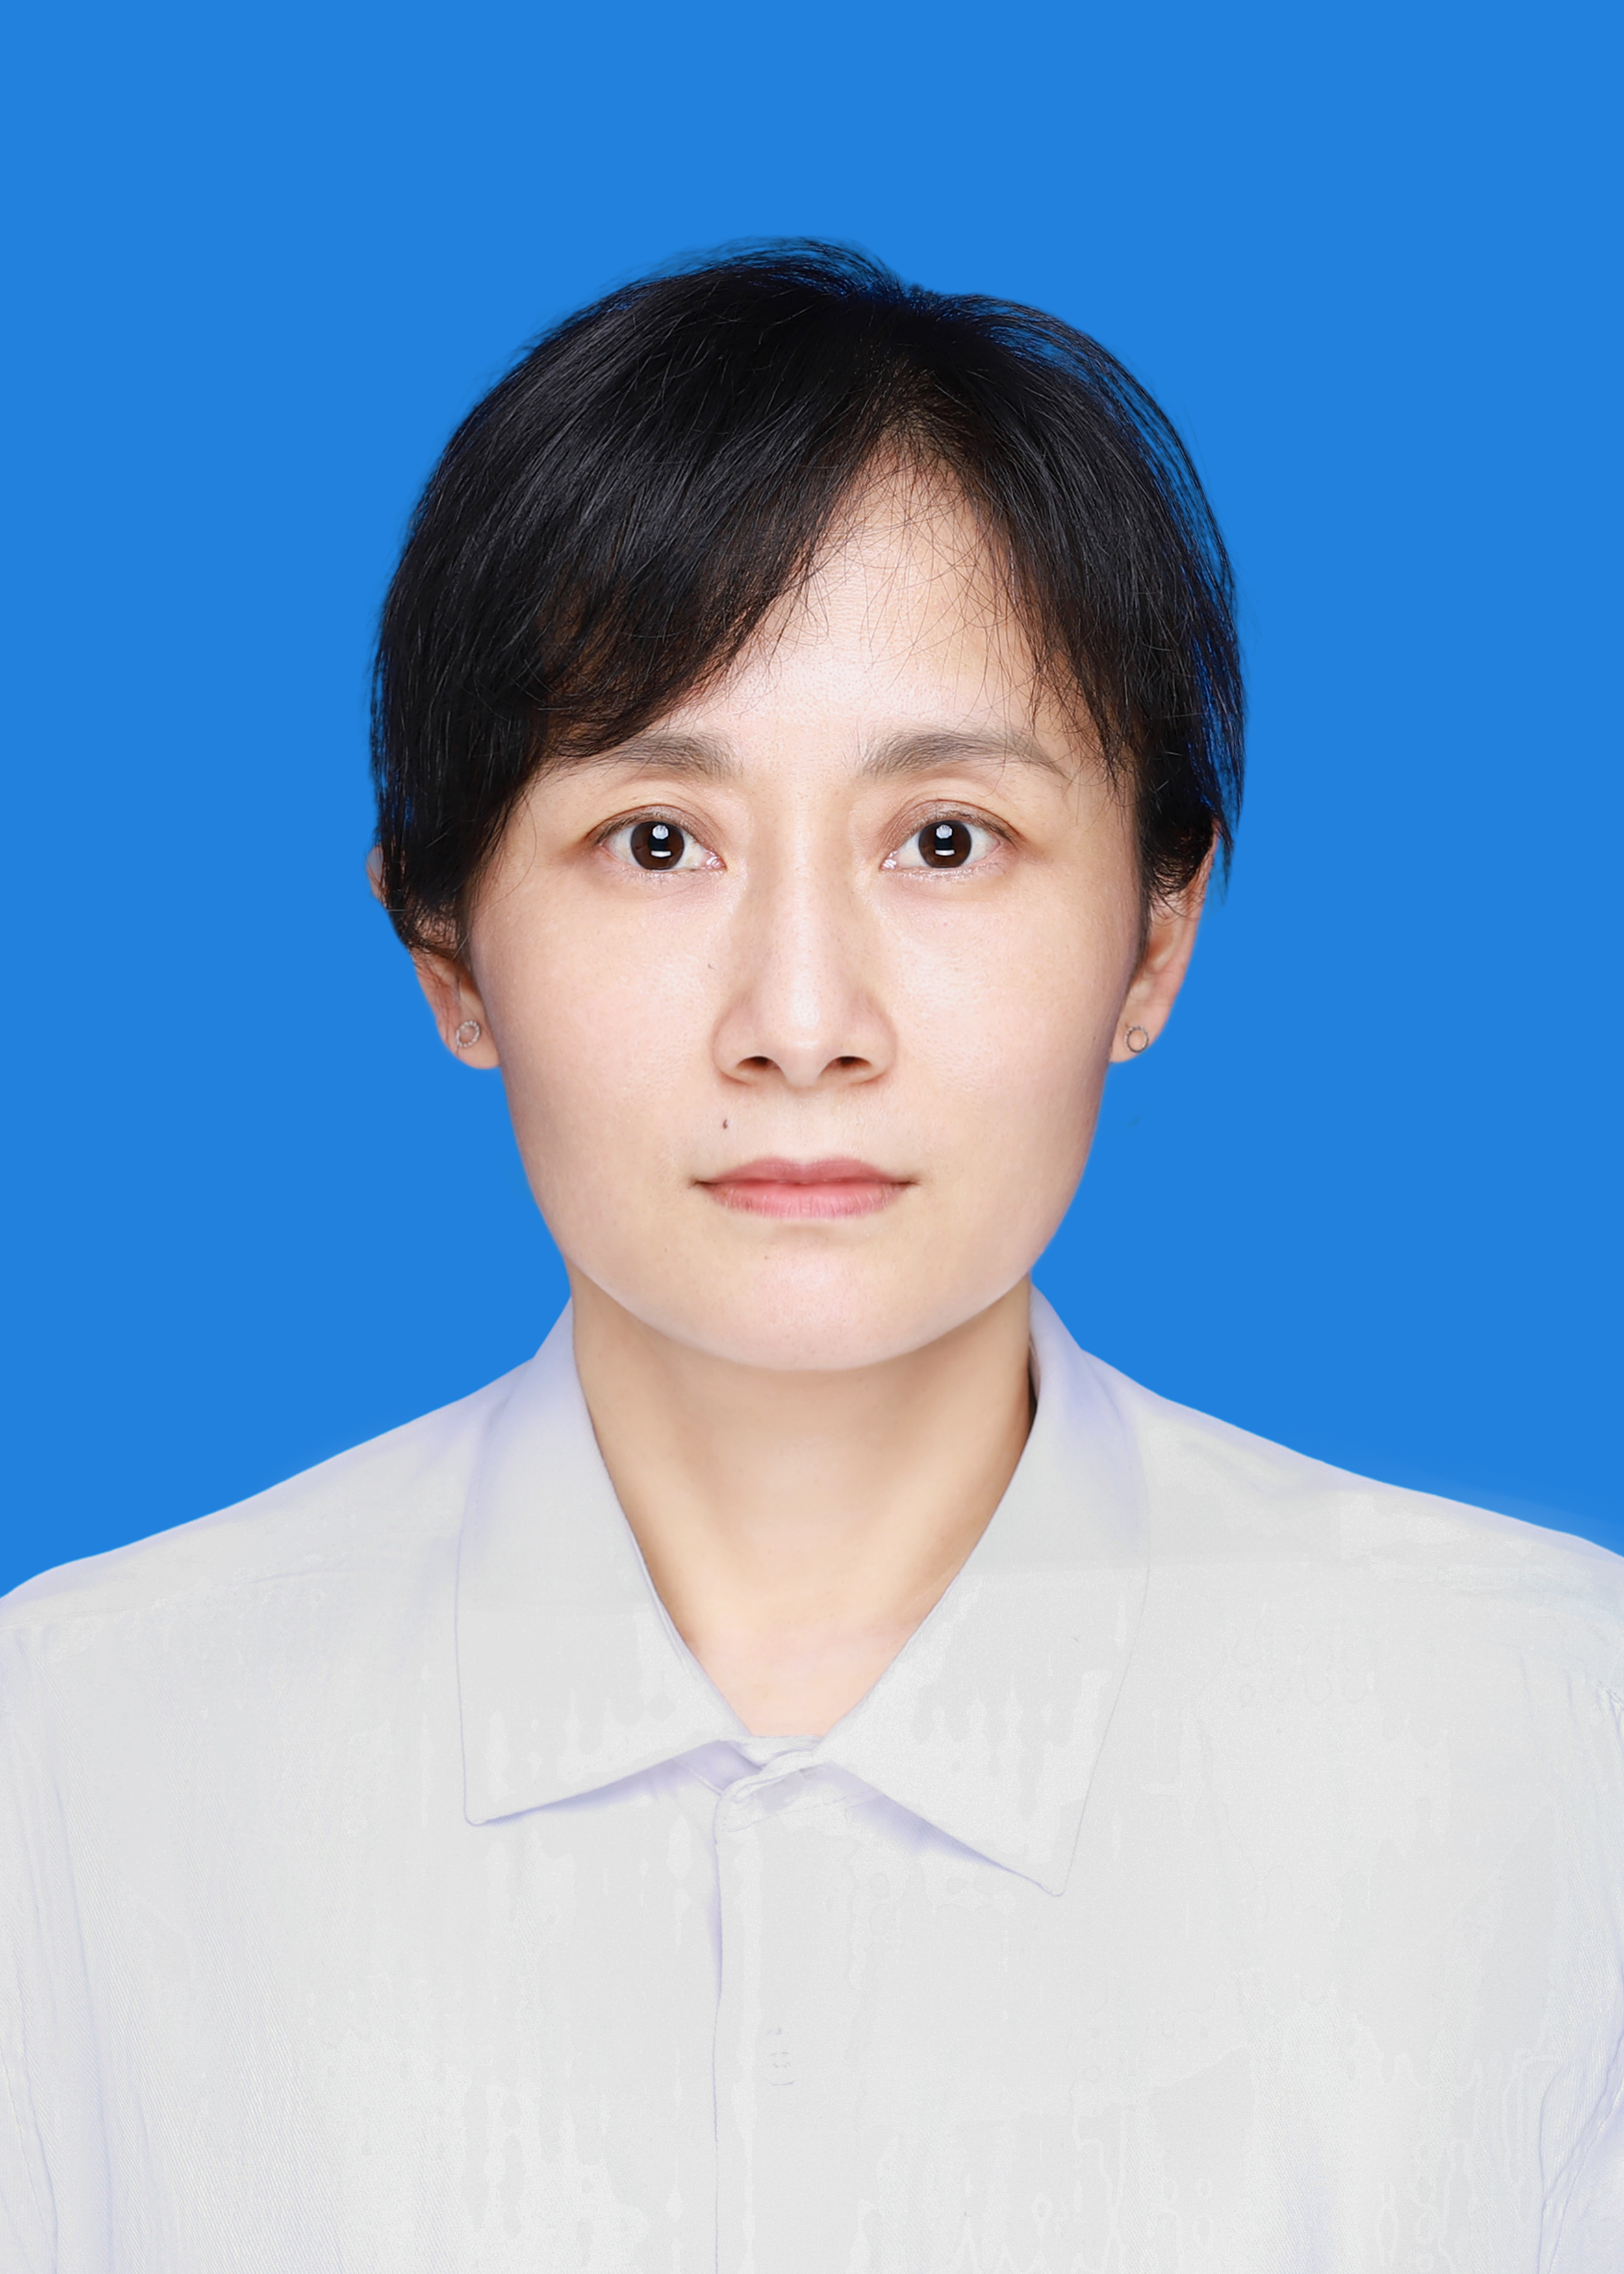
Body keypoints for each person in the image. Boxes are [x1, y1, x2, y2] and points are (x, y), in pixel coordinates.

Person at [2, 242, 1619, 2273]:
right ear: (446, 945)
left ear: (1155, 935)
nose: (798, 1019)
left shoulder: (1548, 1740)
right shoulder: (79, 1758)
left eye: (944, 839)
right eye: (655, 840)